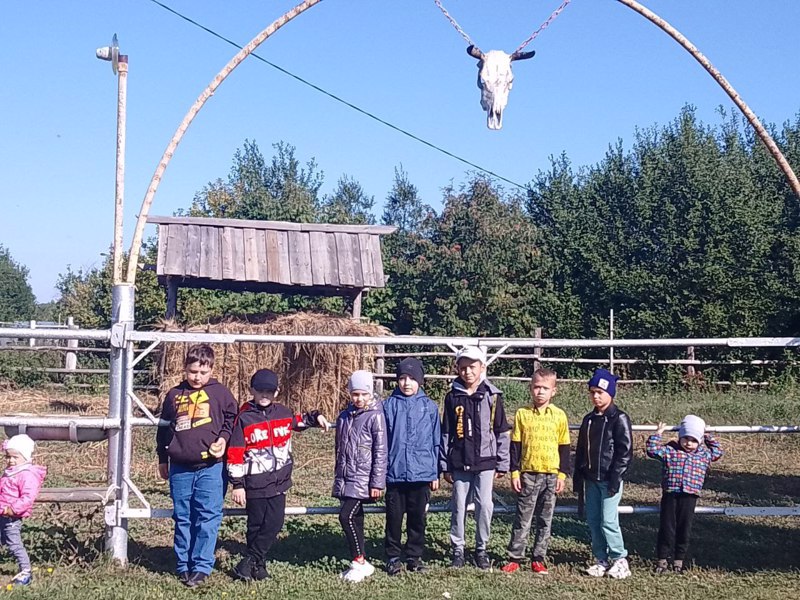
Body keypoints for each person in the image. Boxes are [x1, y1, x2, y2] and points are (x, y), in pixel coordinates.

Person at [227, 368, 331, 581]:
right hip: (255, 481)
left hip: (279, 481)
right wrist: (237, 484)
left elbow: (298, 422)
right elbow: (235, 453)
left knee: (275, 522)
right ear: (251, 390)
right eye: (260, 391)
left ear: (277, 392)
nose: (264, 396)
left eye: (269, 391)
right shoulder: (244, 418)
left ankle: (249, 560)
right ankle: (258, 566)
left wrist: (316, 416)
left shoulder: (283, 413)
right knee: (256, 525)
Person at [156, 343, 238, 588]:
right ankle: (183, 564)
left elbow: (232, 419)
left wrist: (223, 440)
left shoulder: (221, 393)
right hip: (180, 466)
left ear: (211, 369)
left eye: (203, 372)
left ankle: (202, 566)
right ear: (185, 369)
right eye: (193, 372)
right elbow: (163, 428)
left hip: (211, 467)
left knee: (208, 516)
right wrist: (162, 457)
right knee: (183, 516)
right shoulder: (174, 395)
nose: (197, 377)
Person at [440, 346, 511, 570]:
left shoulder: (493, 396)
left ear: (483, 367)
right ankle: (458, 550)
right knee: (459, 505)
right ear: (457, 369)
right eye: (463, 367)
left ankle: (481, 549)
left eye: (472, 366)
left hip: (486, 460)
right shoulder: (452, 397)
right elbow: (446, 433)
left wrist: (502, 461)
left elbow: (501, 431)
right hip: (459, 460)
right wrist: (445, 464)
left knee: (484, 505)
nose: (467, 372)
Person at [501, 368, 570, 575]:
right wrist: (514, 472)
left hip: (551, 475)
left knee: (545, 519)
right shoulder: (523, 414)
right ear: (531, 388)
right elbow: (515, 445)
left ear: (554, 391)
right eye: (536, 387)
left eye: (545, 388)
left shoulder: (559, 416)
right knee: (523, 517)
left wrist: (562, 475)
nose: (540, 392)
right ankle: (515, 556)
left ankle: (539, 557)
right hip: (528, 474)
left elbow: (564, 447)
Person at [573, 368, 633, 579]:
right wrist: (579, 474)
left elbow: (624, 453)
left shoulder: (620, 419)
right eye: (592, 392)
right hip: (591, 479)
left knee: (608, 520)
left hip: (609, 479)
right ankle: (601, 558)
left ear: (611, 393)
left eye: (600, 391)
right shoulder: (588, 420)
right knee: (593, 519)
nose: (596, 396)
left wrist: (616, 478)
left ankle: (620, 558)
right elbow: (581, 449)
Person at [383, 357, 440, 576]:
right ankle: (393, 557)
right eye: (402, 378)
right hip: (395, 474)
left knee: (417, 519)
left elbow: (436, 441)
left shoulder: (430, 407)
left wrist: (434, 472)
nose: (407, 383)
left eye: (412, 378)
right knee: (394, 519)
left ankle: (414, 556)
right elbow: (382, 441)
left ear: (420, 381)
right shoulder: (388, 406)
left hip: (422, 474)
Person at [647, 415, 723, 574]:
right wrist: (658, 433)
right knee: (667, 527)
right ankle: (662, 560)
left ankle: (678, 561)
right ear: (679, 437)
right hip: (670, 494)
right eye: (685, 438)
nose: (689, 443)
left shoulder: (704, 455)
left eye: (694, 440)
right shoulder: (670, 450)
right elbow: (652, 450)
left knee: (684, 528)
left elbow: (718, 451)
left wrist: (707, 434)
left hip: (690, 496)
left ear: (700, 441)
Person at [332, 370, 387, 583]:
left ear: (370, 393)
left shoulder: (375, 416)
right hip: (347, 476)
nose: (359, 399)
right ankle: (361, 562)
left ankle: (359, 561)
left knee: (345, 516)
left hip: (363, 479)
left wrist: (377, 482)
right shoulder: (345, 416)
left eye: (364, 394)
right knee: (356, 519)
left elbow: (380, 452)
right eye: (355, 394)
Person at [0, 435, 46, 587]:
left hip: (12, 516)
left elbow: (27, 497)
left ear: (25, 456)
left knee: (14, 543)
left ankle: (25, 570)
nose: (10, 461)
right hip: (2, 513)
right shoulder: (11, 471)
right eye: (8, 457)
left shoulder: (27, 474)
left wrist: (12, 509)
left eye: (15, 457)